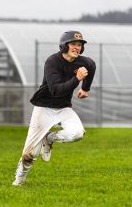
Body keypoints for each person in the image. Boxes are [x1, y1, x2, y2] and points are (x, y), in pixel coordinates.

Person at [12, 31, 96, 186]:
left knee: (77, 133)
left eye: (79, 45)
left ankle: (49, 138)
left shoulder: (83, 62)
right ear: (64, 45)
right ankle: (19, 180)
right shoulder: (52, 61)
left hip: (64, 108)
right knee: (30, 154)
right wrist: (77, 79)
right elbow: (56, 90)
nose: (77, 47)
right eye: (73, 44)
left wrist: (85, 88)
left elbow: (91, 65)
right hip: (43, 108)